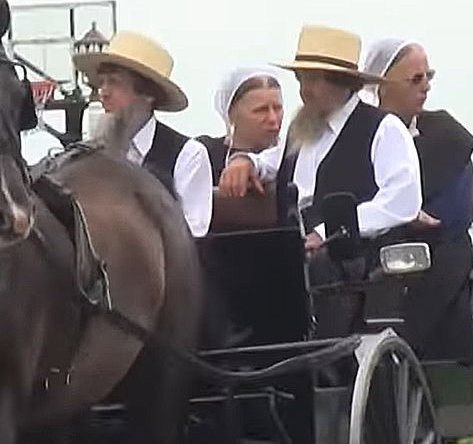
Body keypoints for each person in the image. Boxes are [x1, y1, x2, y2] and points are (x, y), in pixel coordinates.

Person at [218, 24, 423, 337]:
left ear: (343, 83)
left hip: (355, 256)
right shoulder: (304, 130)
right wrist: (246, 160)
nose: (303, 91)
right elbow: (274, 162)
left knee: (315, 266)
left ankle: (323, 361)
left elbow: (401, 202)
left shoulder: (384, 129)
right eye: (301, 79)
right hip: (294, 244)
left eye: (313, 80)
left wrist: (330, 232)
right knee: (231, 260)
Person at [360, 38, 473, 362]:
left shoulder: (446, 135)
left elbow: (452, 218)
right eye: (415, 79)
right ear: (381, 86)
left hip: (434, 249)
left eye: (429, 76)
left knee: (445, 253)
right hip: (363, 250)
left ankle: (425, 356)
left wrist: (403, 216)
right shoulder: (356, 137)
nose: (425, 87)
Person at [72, 30, 213, 238]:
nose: (103, 92)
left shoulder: (187, 155)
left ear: (147, 93)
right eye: (101, 82)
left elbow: (193, 235)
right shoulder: (89, 156)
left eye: (115, 82)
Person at [197, 67, 284, 178]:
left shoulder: (289, 159)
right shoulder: (204, 154)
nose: (273, 118)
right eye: (261, 110)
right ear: (231, 113)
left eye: (277, 108)